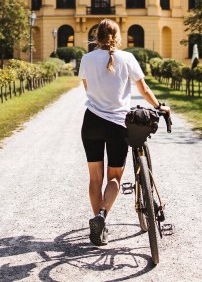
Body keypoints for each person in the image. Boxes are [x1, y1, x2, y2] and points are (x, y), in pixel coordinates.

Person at [78, 19, 170, 246]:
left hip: (91, 123)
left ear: (96, 37)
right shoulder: (127, 58)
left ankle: (99, 228)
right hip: (117, 124)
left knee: (95, 178)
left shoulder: (87, 59)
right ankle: (101, 216)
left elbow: (88, 89)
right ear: (117, 37)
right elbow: (144, 89)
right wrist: (159, 107)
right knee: (115, 178)